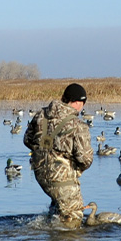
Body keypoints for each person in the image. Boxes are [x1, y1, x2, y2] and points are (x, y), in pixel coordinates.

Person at [25, 83, 94, 228]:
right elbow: (85, 159)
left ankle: (51, 237)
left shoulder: (40, 115)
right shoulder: (78, 125)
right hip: (63, 180)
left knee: (55, 214)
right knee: (73, 223)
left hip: (40, 175)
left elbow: (27, 140)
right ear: (79, 102)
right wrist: (75, 168)